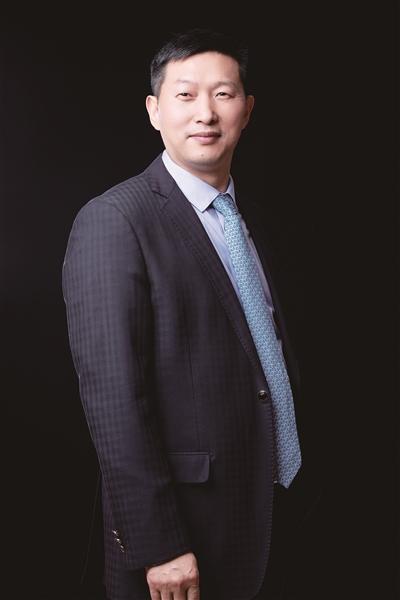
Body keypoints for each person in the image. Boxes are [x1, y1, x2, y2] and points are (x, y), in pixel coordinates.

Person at [62, 28, 321, 600]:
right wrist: (158, 544)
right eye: (185, 95)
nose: (206, 112)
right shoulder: (115, 220)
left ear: (246, 111)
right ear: (154, 111)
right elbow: (113, 400)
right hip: (183, 534)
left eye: (223, 94)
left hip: (272, 506)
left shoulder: (250, 220)